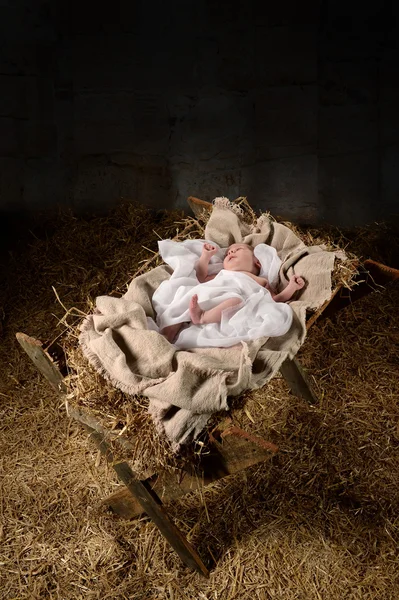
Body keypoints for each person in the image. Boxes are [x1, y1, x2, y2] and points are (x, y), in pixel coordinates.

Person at [161, 242, 304, 342]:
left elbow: (274, 300)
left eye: (238, 249)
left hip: (228, 306)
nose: (231, 252)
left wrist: (291, 287)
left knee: (236, 301)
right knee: (184, 298)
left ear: (257, 262)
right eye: (228, 253)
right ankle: (168, 333)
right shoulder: (222, 274)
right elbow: (201, 278)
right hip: (209, 297)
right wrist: (205, 256)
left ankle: (202, 317)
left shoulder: (261, 281)